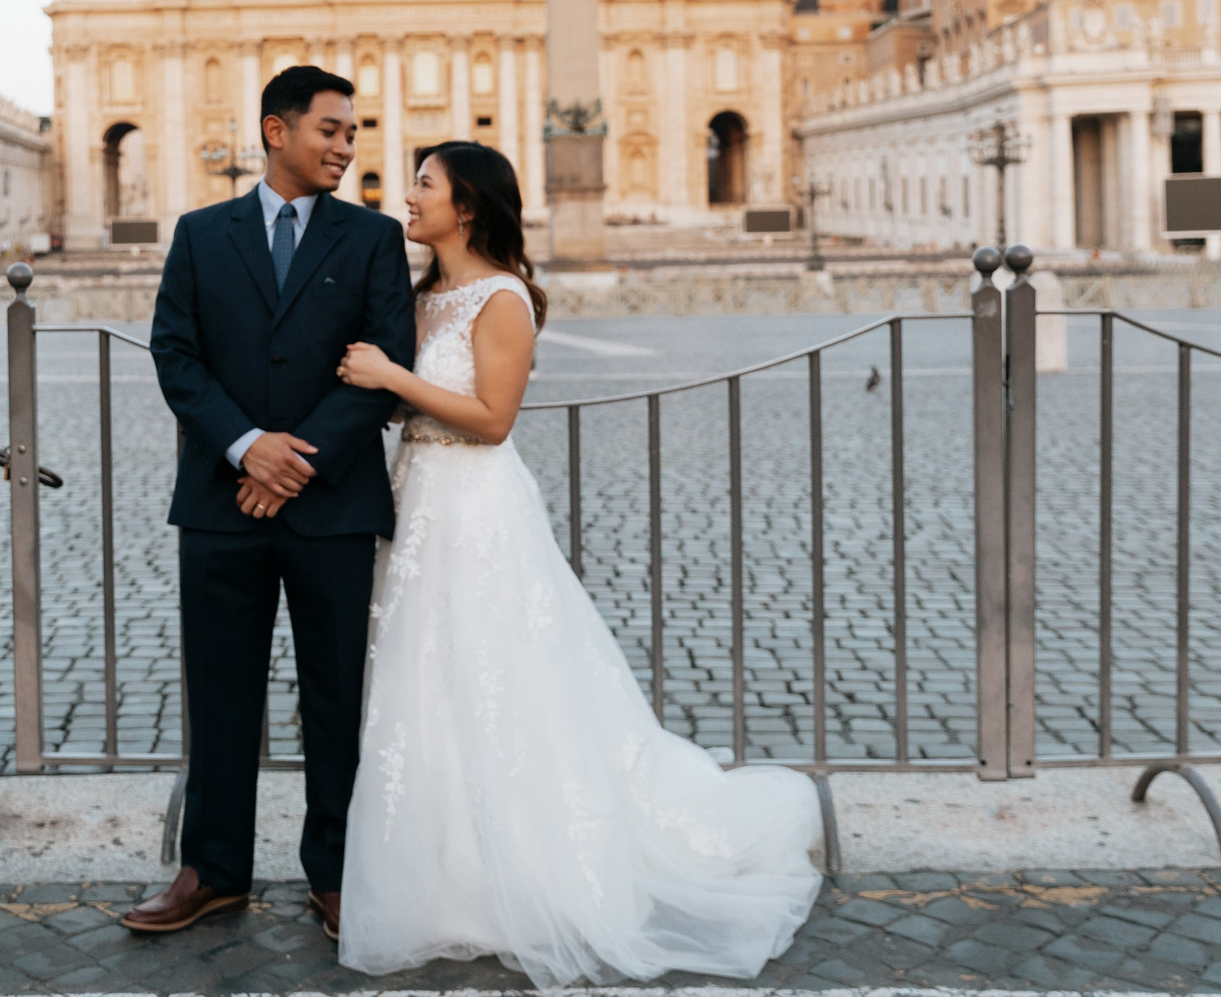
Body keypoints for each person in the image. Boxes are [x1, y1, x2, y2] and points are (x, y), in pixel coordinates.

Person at [331, 141, 822, 987]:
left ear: (469, 205)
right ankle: (443, 874)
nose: (405, 195)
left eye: (423, 184)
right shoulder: (427, 295)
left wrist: (390, 377)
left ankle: (516, 867)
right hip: (416, 504)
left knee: (492, 678)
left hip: (475, 508)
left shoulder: (503, 298)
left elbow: (492, 419)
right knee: (424, 681)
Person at [125, 65, 416, 943]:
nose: (345, 146)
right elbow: (175, 353)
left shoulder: (373, 237)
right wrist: (247, 445)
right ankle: (212, 868)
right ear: (275, 131)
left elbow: (386, 365)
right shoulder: (201, 233)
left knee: (335, 694)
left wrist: (295, 460)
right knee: (221, 693)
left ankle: (336, 870)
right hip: (223, 499)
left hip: (330, 503)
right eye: (330, 129)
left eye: (352, 133)